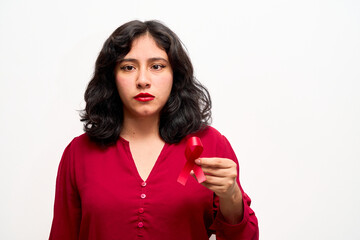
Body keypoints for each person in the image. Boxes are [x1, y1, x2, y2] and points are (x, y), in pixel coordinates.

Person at [49, 20, 259, 240]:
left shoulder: (210, 144)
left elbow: (245, 237)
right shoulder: (79, 153)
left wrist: (231, 195)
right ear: (112, 77)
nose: (142, 80)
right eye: (128, 67)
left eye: (156, 66)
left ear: (175, 75)